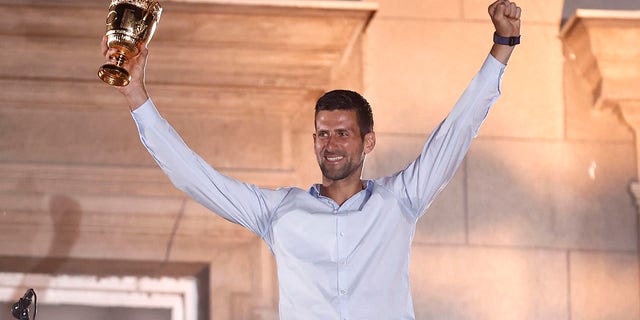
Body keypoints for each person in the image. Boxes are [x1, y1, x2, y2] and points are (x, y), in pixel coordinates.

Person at [102, 0, 521, 318]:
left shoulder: (400, 200)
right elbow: (195, 177)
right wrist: (137, 95)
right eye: (323, 133)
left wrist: (502, 47)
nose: (331, 144)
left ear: (367, 141)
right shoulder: (278, 211)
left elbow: (456, 132)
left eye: (342, 133)